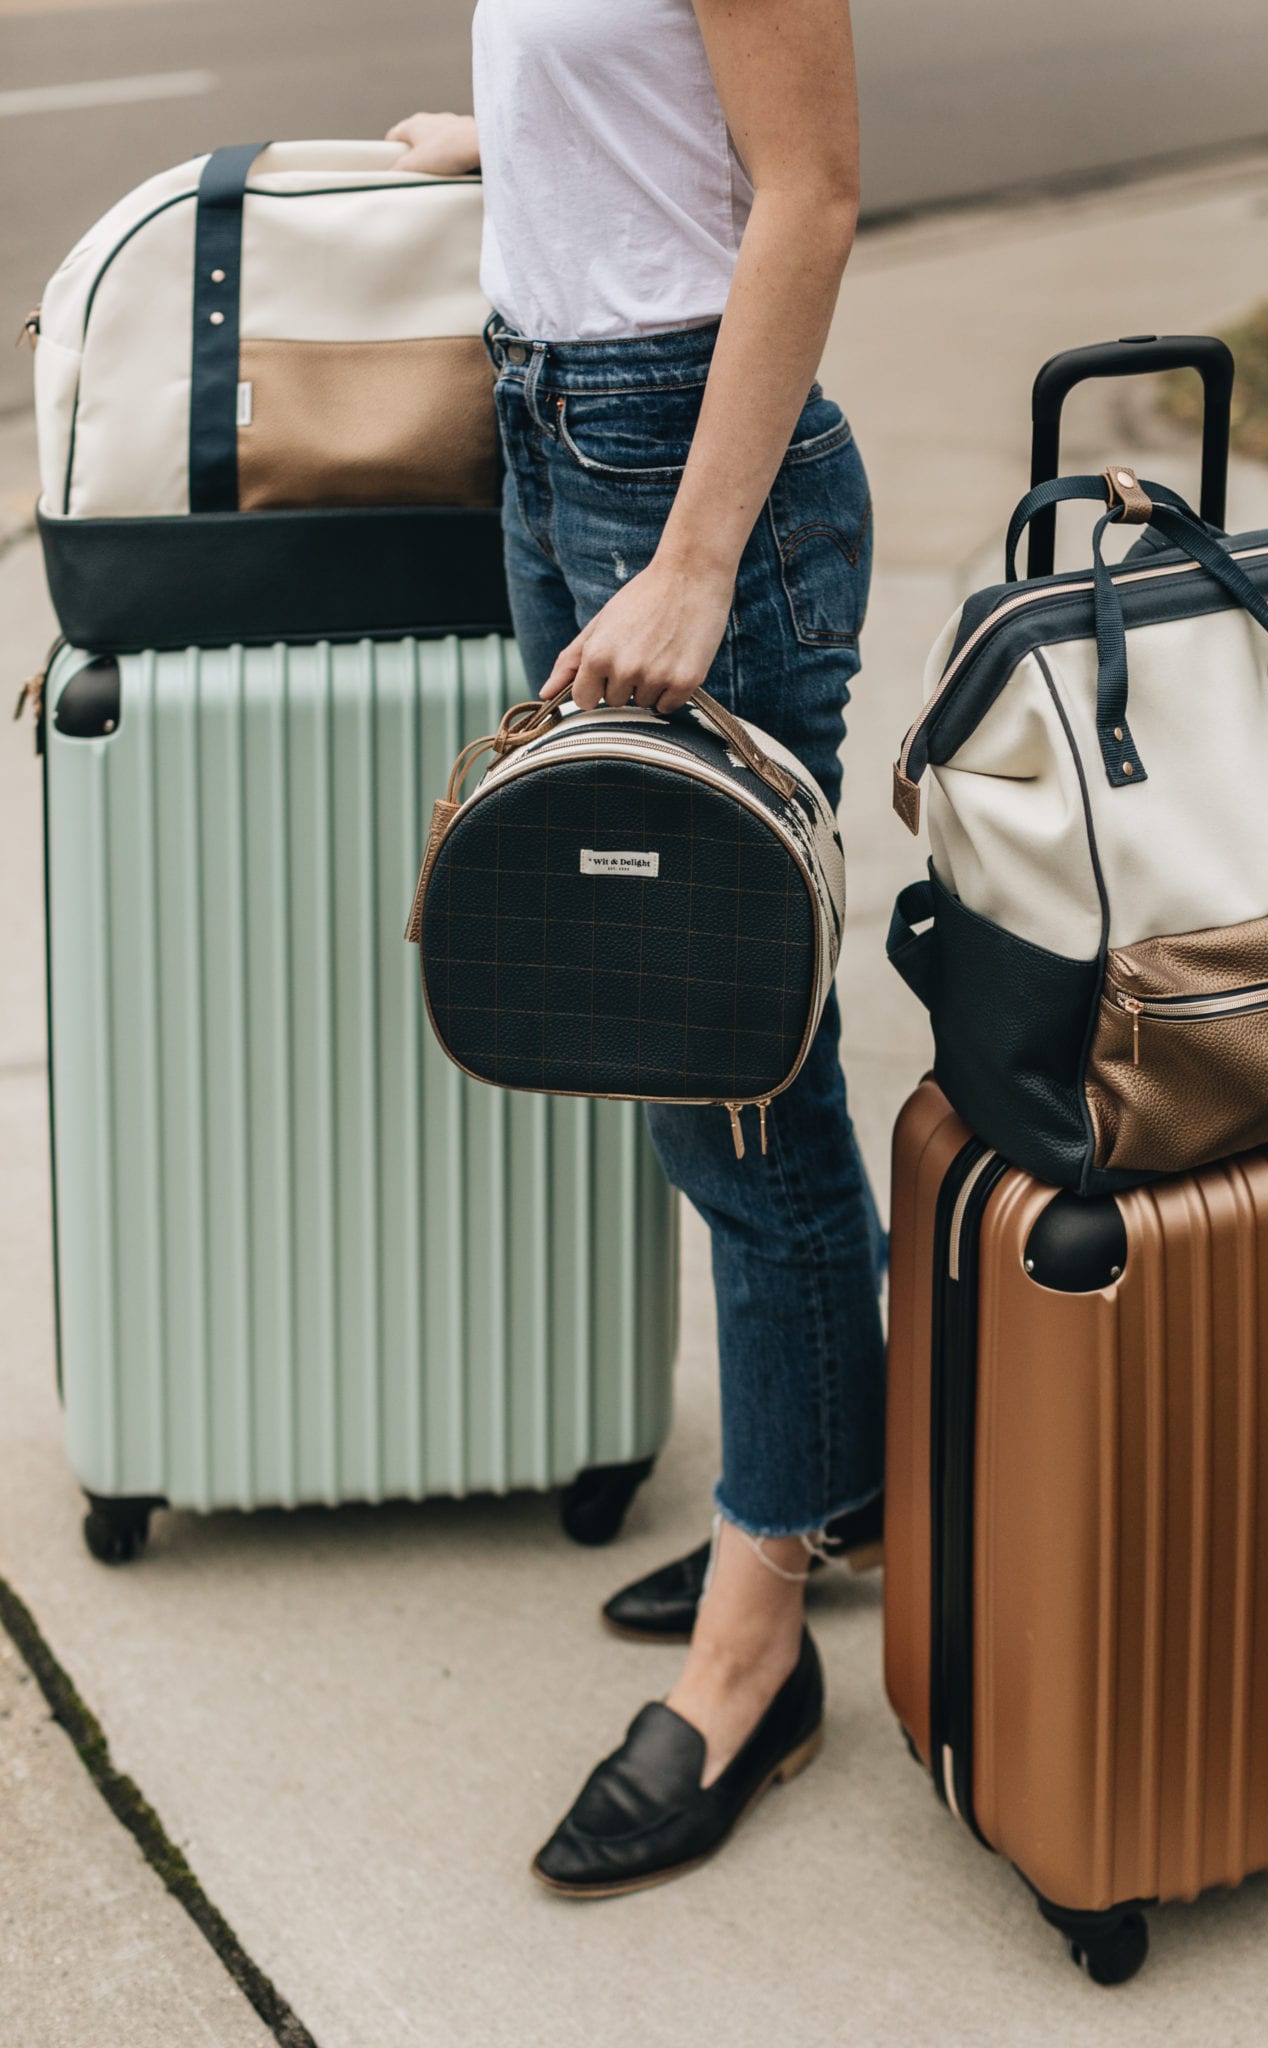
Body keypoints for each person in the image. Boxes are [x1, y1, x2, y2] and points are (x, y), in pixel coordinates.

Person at [388, 0, 886, 1897]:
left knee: (734, 1083)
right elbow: (659, 104)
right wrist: (519, 158)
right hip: (553, 419)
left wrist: (687, 558)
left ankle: (757, 1662)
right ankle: (822, 1498)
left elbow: (812, 196)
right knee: (693, 1067)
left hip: (680, 475)